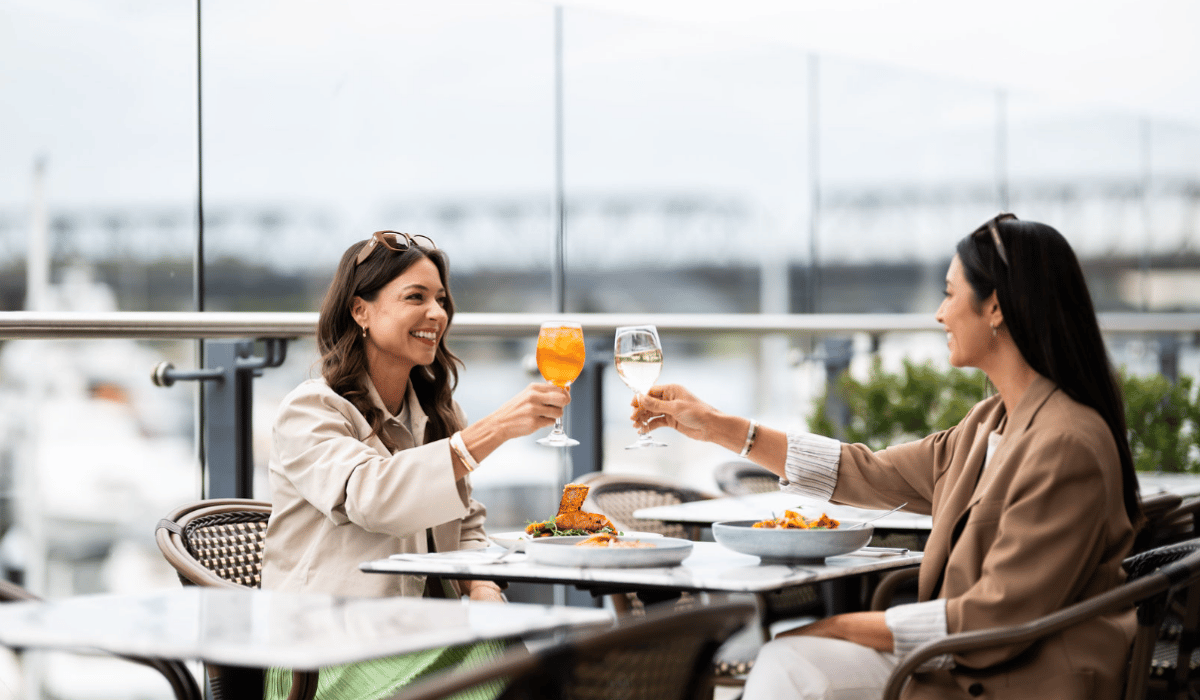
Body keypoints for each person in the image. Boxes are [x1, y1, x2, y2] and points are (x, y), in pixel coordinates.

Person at [631, 214, 1143, 700]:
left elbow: (994, 619)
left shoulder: (1065, 444)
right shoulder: (990, 423)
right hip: (965, 664)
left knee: (789, 663)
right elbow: (867, 472)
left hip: (1013, 682)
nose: (940, 313)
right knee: (789, 661)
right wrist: (717, 426)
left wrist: (841, 626)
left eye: (949, 294)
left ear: (995, 307)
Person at [261, 230, 571, 700]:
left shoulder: (437, 413)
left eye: (441, 300)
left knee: (536, 663)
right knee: (515, 673)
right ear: (360, 311)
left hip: (423, 636)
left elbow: (466, 525)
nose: (437, 313)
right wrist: (492, 432)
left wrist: (483, 587)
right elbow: (372, 497)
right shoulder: (310, 410)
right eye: (416, 297)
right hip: (322, 655)